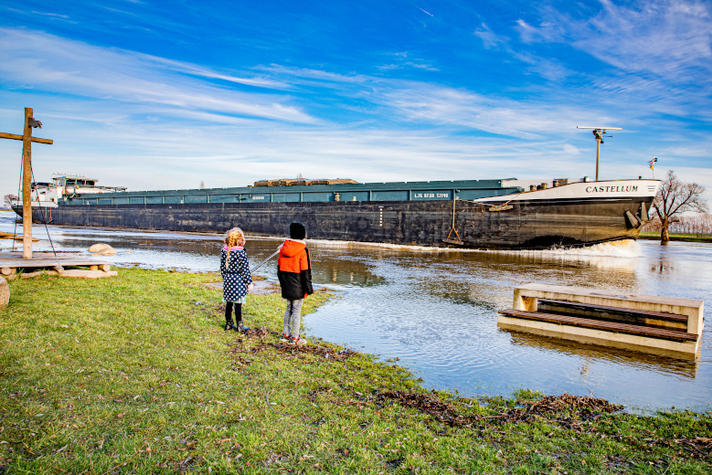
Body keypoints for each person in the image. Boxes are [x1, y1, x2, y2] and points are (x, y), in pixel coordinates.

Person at [277, 222, 314, 344]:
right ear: (302, 235)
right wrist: (309, 289)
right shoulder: (303, 250)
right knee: (297, 311)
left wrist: (282, 284)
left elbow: (279, 269)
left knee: (289, 309)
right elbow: (306, 272)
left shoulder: (283, 248)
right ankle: (295, 337)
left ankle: (285, 334)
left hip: (286, 284)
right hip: (298, 286)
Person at [220, 227, 253, 331]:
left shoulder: (224, 251)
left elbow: (222, 268)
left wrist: (225, 278)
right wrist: (249, 283)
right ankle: (239, 325)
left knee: (229, 303)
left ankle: (228, 324)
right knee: (238, 304)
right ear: (239, 241)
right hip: (238, 281)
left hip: (228, 280)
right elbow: (245, 270)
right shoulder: (241, 253)